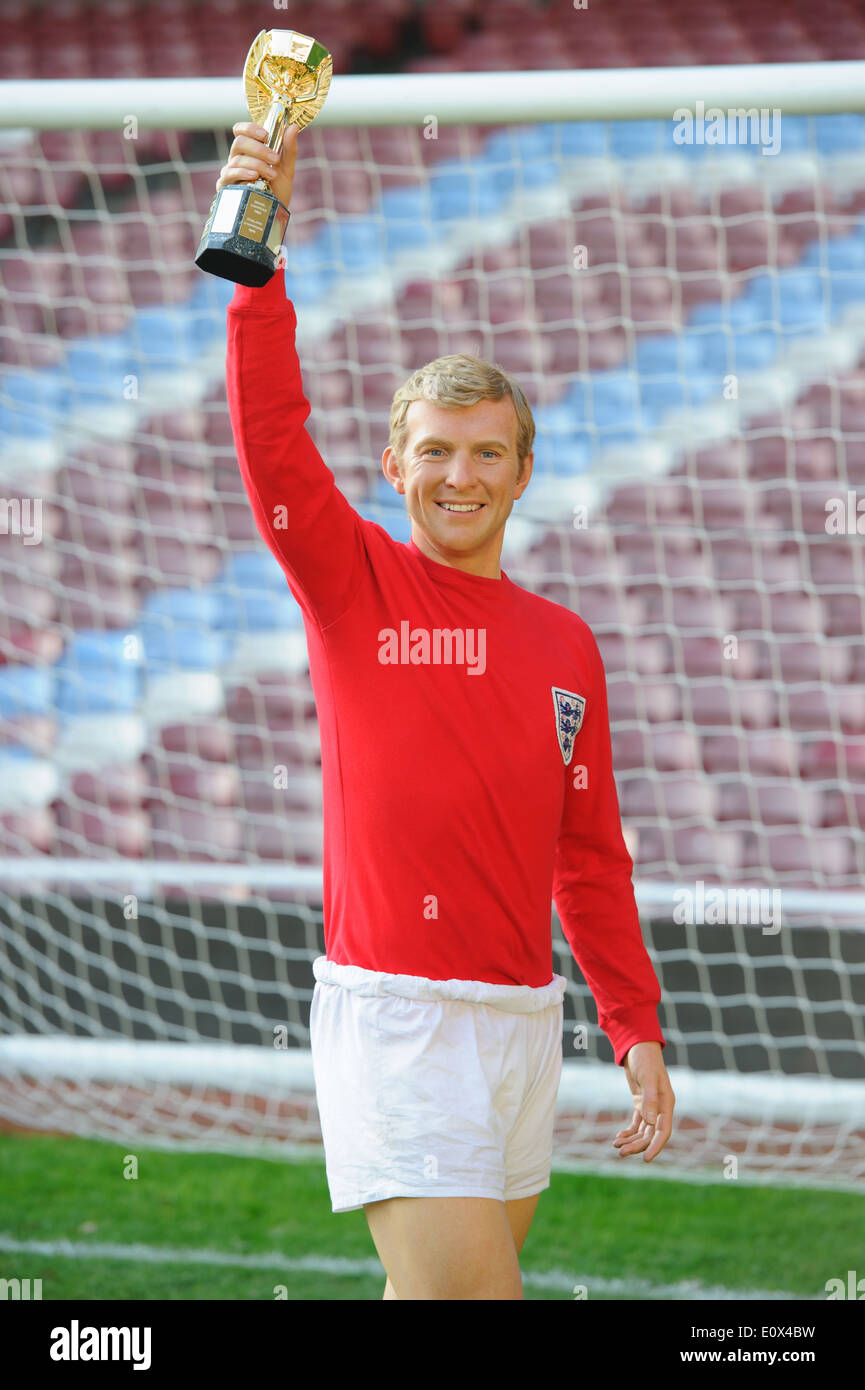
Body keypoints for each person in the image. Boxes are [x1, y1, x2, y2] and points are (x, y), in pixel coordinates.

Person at [217, 120, 675, 1300]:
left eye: (484, 453)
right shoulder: (352, 582)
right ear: (393, 464)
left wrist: (633, 1025)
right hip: (396, 1020)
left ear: (524, 471)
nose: (458, 476)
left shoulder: (567, 644)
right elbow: (272, 445)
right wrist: (258, 249)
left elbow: (586, 853)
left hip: (523, 1023)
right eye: (434, 451)